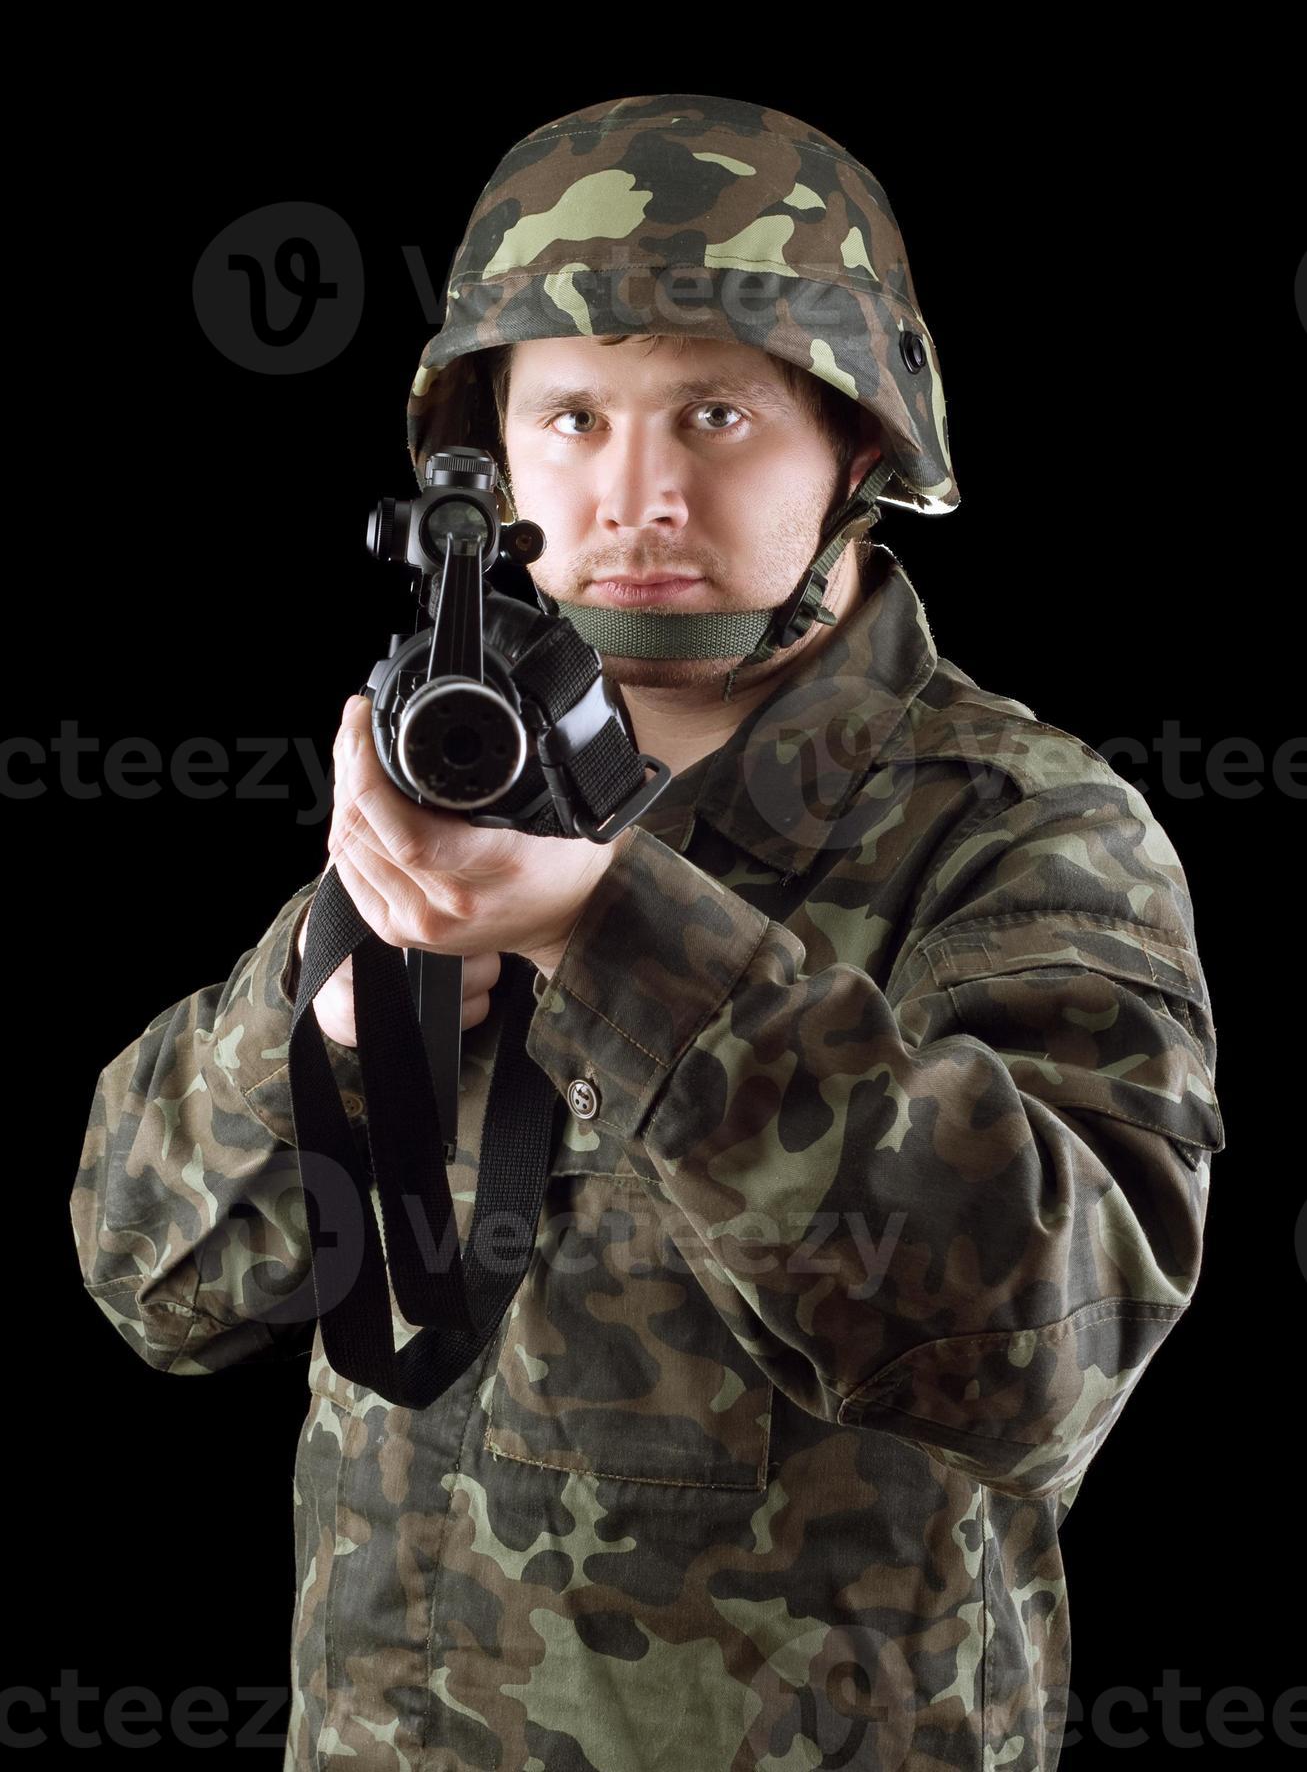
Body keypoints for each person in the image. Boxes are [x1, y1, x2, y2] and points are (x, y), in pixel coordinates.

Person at [71, 93, 1225, 1772]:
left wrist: (618, 940)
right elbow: (145, 1285)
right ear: (490, 456)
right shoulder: (459, 780)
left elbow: (1048, 1348)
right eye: (573, 421)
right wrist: (323, 1018)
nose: (638, 494)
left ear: (858, 445)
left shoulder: (1015, 825)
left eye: (713, 415)